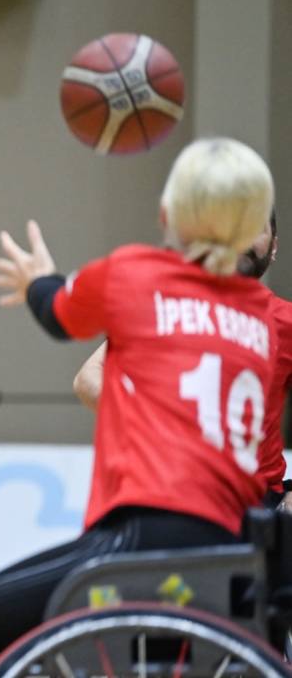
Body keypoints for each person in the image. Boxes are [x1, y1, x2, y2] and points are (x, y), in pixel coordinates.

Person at [0, 137, 275, 677]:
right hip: (233, 549)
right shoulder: (261, 324)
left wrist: (37, 280)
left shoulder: (138, 275)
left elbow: (58, 313)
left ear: (168, 213)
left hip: (142, 535)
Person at [72, 208, 292, 510]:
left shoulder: (286, 321)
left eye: (255, 229)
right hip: (175, 493)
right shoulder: (167, 306)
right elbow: (88, 379)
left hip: (258, 504)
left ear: (274, 247)